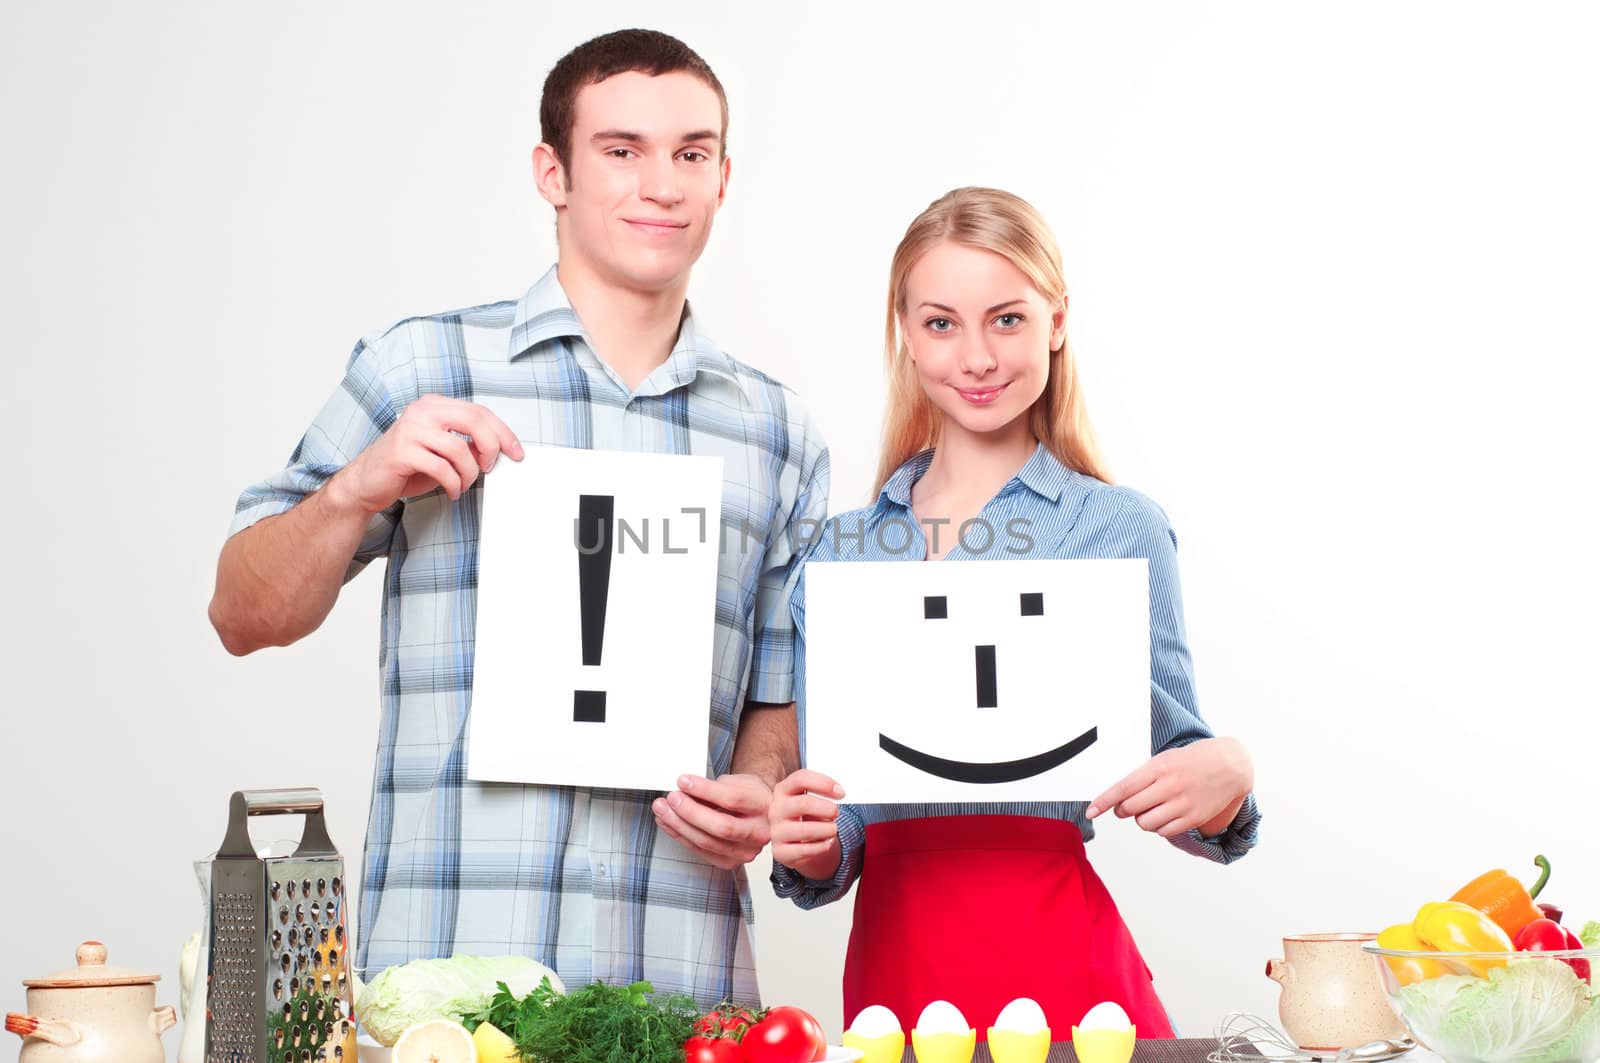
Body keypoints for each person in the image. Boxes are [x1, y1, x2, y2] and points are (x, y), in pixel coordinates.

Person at [208, 29, 828, 1007]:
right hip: (447, 986)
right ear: (554, 172)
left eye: (691, 153)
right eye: (620, 150)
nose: (660, 184)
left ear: (722, 177)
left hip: (680, 985)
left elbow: (773, 702)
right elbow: (244, 614)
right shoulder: (423, 370)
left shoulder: (778, 432)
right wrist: (355, 487)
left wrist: (755, 787)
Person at [767, 187, 1258, 1035]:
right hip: (898, 965)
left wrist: (1230, 775)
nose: (978, 356)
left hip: (1067, 960)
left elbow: (1181, 767)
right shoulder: (840, 552)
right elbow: (837, 813)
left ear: (1056, 321)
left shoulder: (1116, 526)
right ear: (906, 333)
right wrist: (811, 843)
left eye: (1007, 319)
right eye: (941, 323)